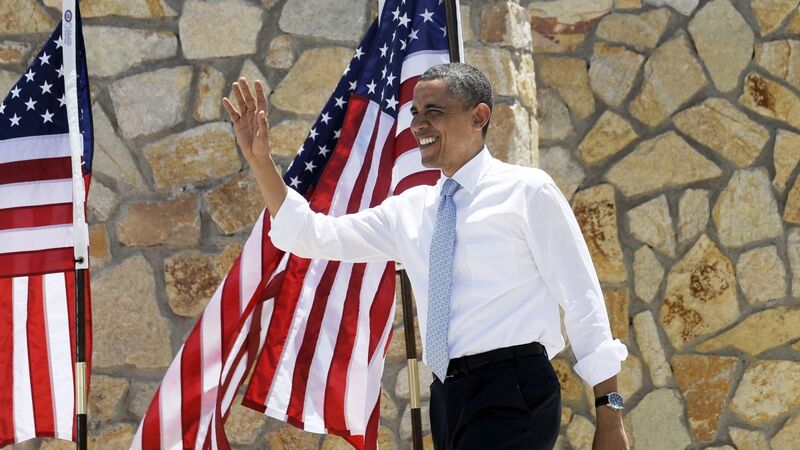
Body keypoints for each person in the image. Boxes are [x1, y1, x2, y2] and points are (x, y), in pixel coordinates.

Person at [222, 63, 629, 450]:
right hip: (447, 397)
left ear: (479, 116)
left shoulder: (527, 192)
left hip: (514, 388)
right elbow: (315, 235)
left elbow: (582, 297)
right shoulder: (410, 209)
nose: (418, 124)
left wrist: (609, 413)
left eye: (434, 111)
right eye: (415, 112)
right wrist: (260, 162)